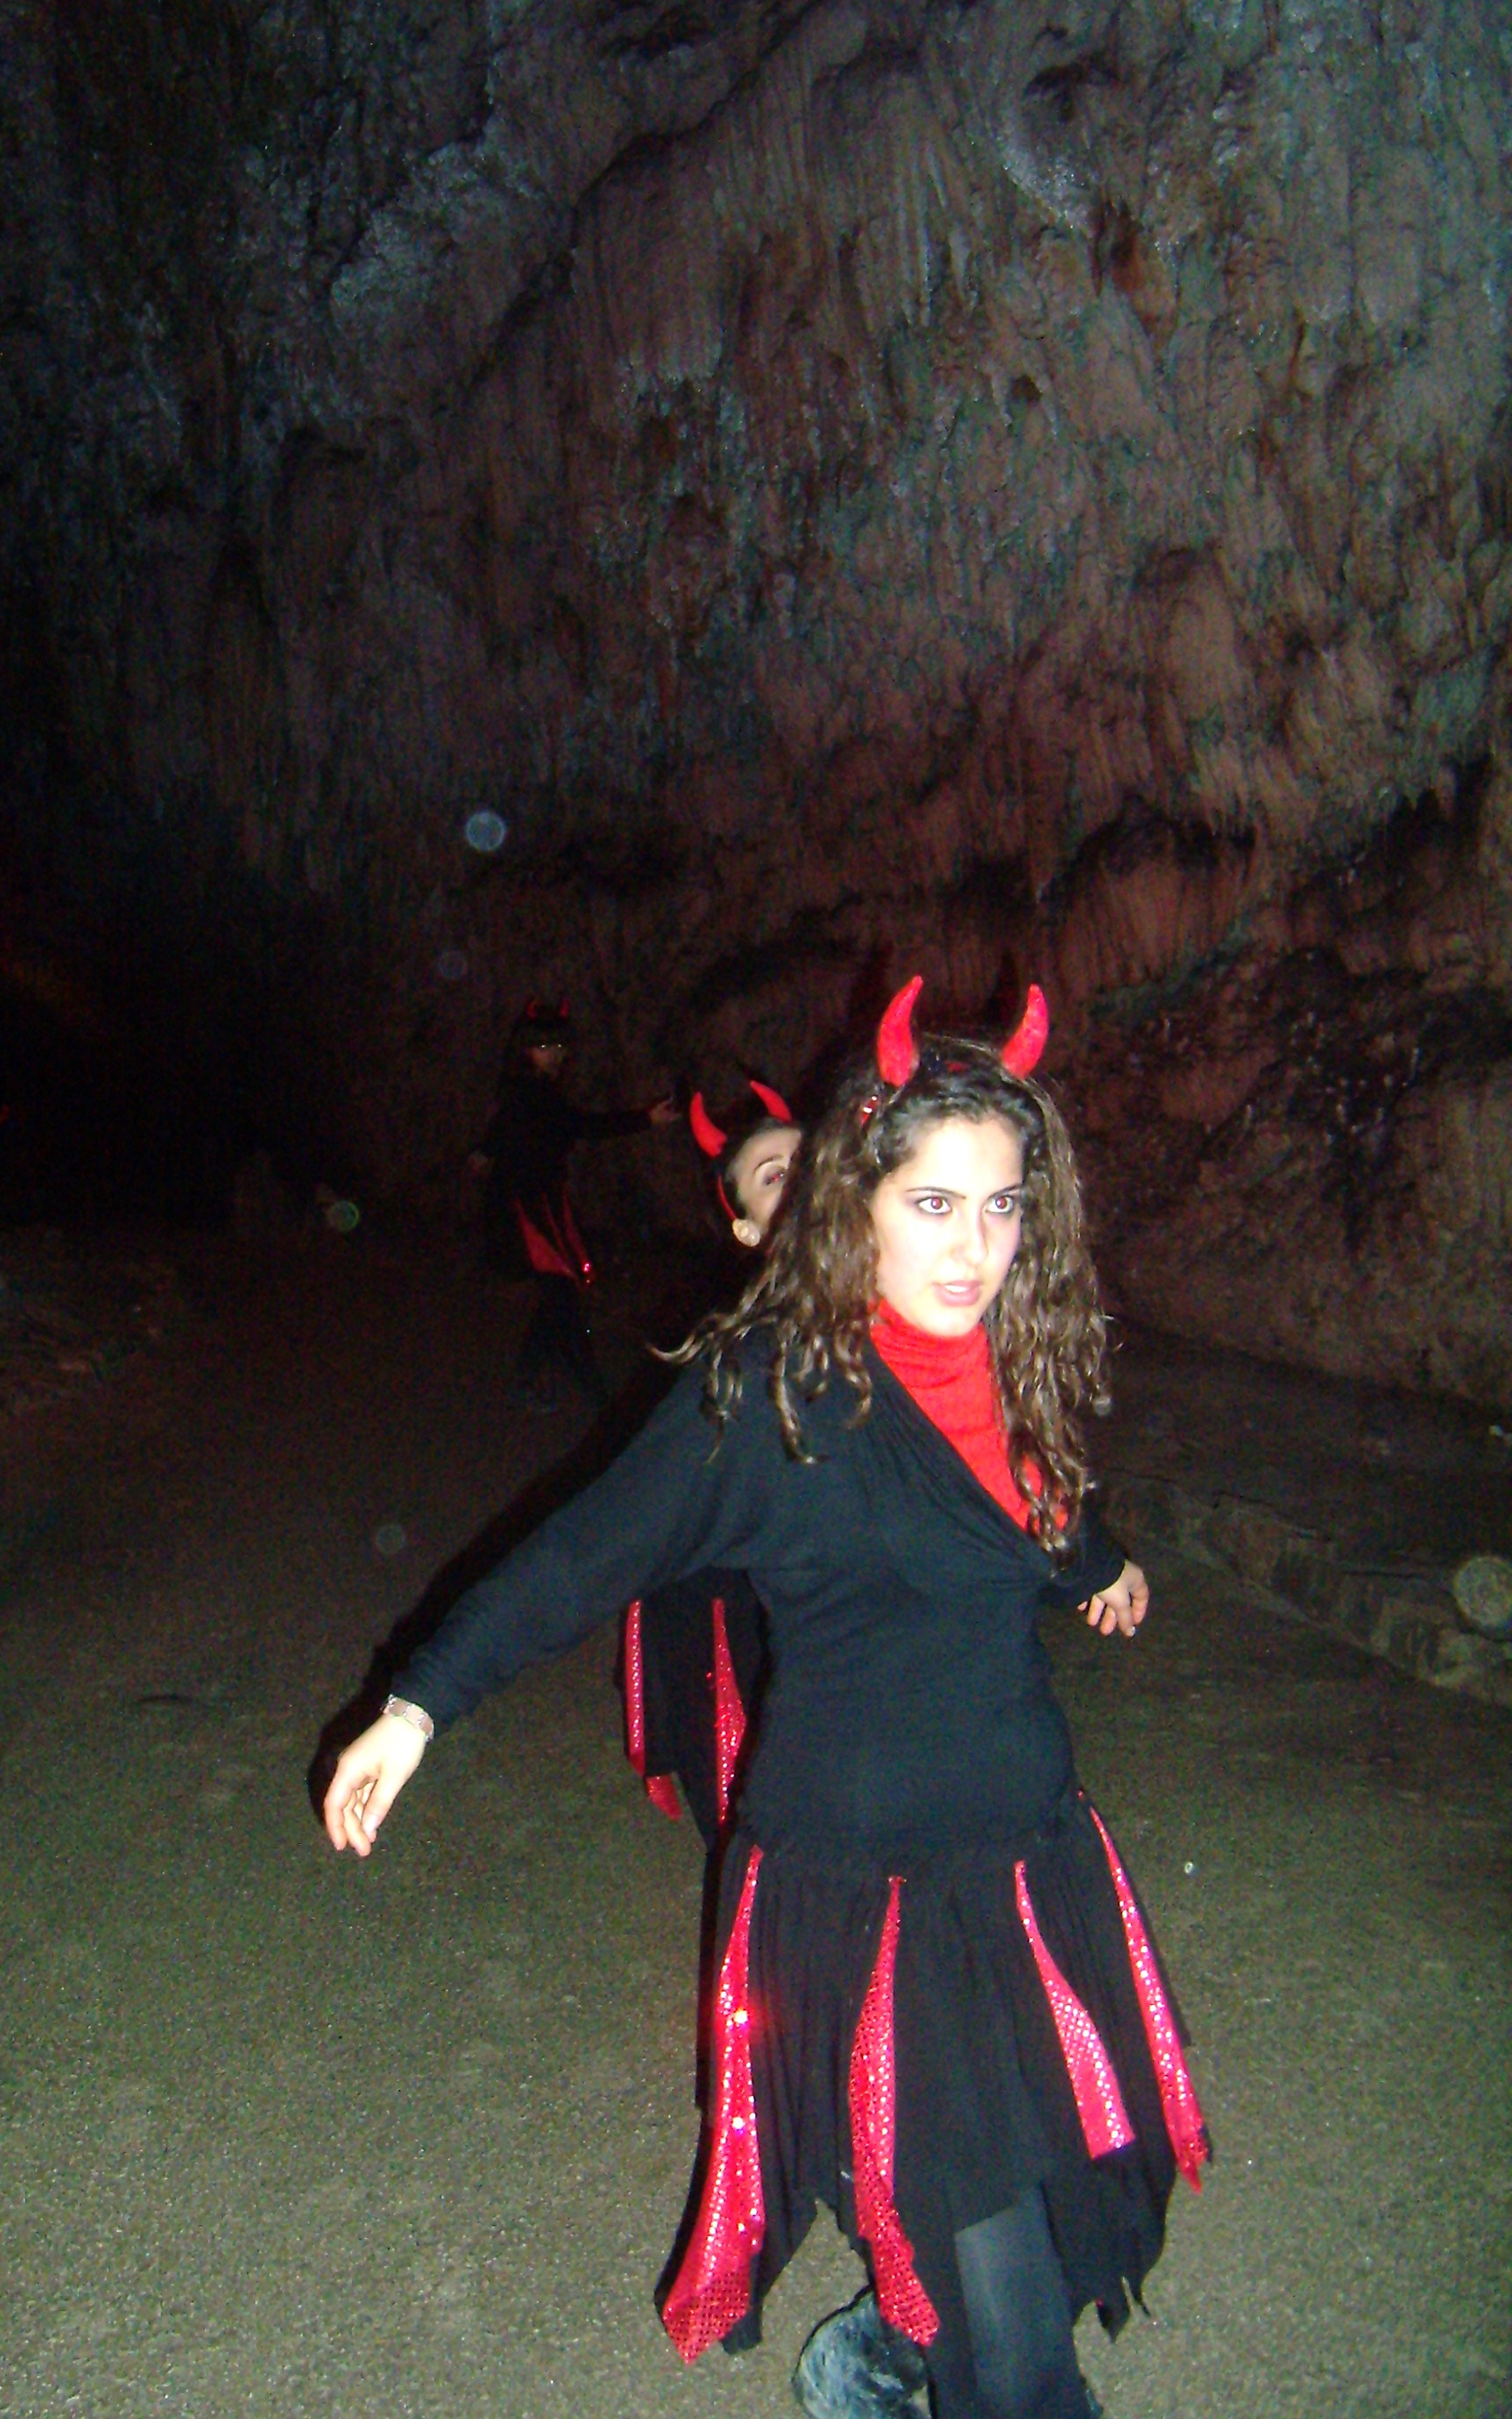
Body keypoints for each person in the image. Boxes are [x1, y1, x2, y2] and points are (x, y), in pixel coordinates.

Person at [326, 976, 1206, 2419]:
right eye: (934, 1204)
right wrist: (418, 1705)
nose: (973, 1247)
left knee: (1063, 2210)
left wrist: (1097, 1562)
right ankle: (927, 2361)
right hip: (873, 1890)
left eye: (1001, 1207)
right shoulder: (779, 1388)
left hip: (1031, 1857)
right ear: (859, 1198)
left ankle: (881, 2357)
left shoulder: (1016, 1352)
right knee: (1013, 2335)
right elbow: (581, 1553)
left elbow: (1036, 1510)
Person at [624, 1080, 801, 1837]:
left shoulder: (914, 1300)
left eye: (812, 1163)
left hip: (827, 1605)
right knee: (746, 1782)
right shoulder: (738, 1347)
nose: (804, 1183)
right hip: (728, 1588)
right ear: (747, 1229)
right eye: (775, 1176)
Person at [470, 999, 679, 1412]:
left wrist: (486, 1152)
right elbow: (579, 1126)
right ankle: (587, 1389)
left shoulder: (533, 1091)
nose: (553, 1054)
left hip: (542, 1200)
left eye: (557, 1046)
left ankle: (556, 1380)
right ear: (526, 1049)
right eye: (543, 1047)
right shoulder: (529, 1093)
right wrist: (645, 1119)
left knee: (561, 1293)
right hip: (527, 1206)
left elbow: (535, 1129)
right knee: (561, 1291)